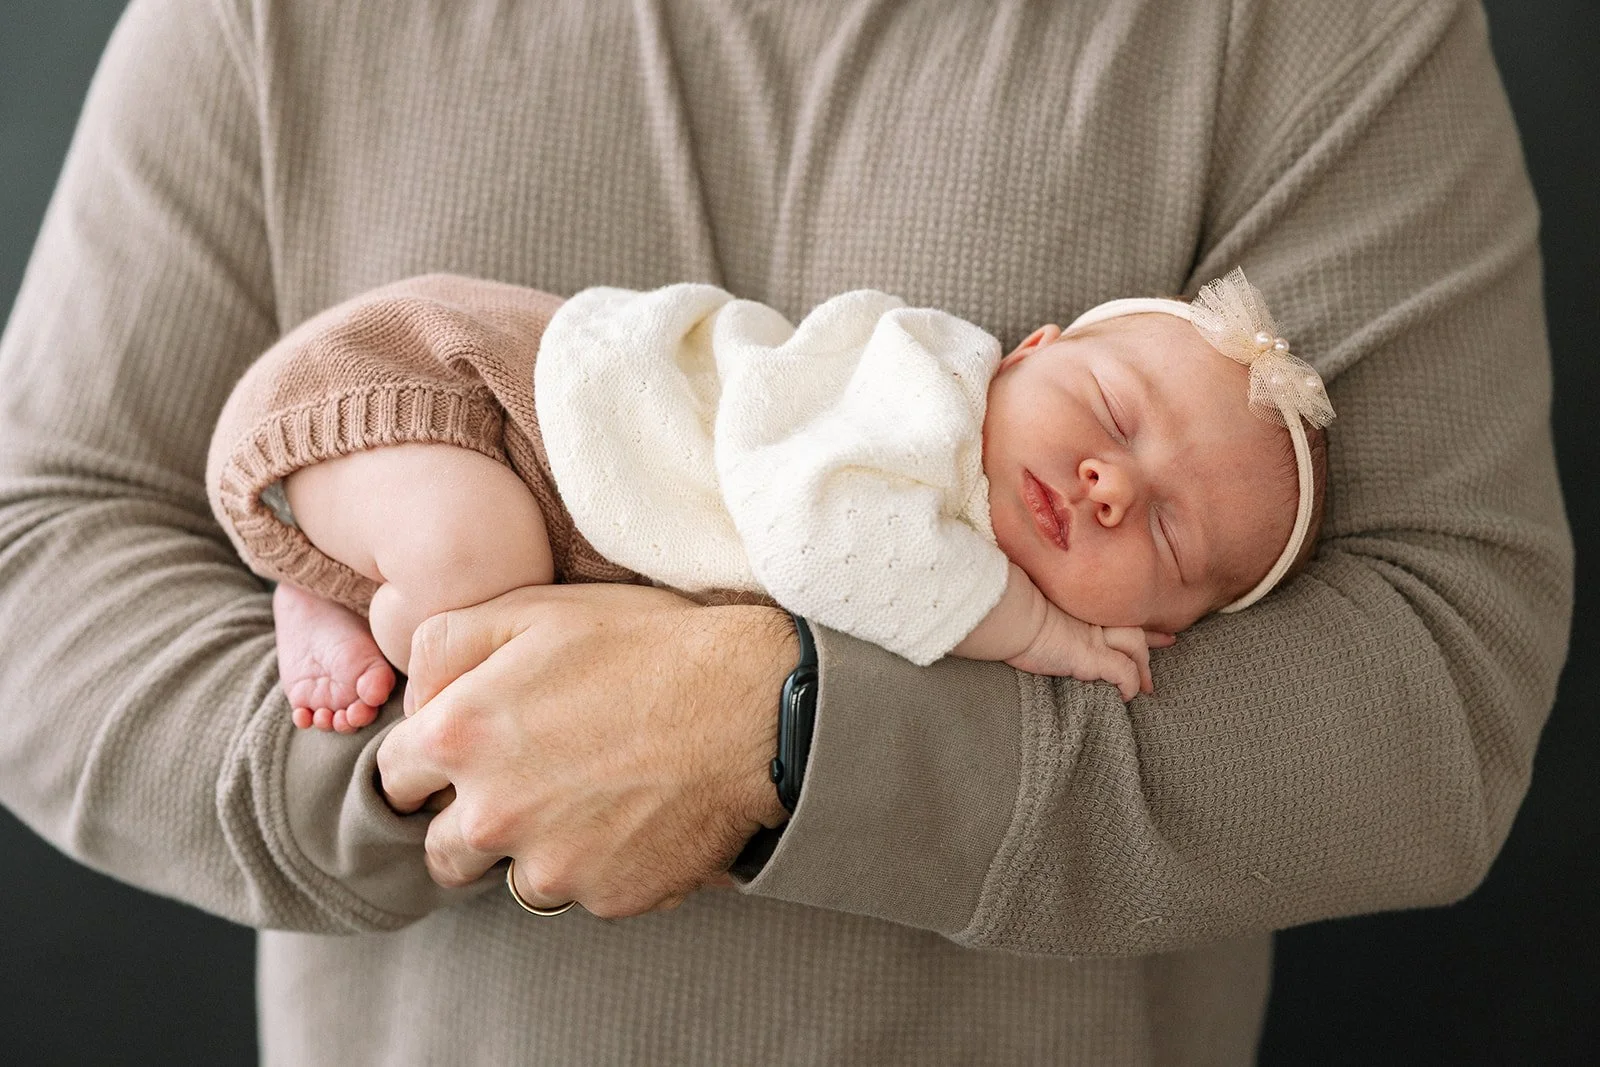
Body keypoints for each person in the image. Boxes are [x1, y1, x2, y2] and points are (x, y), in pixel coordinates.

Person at [0, 1, 1571, 1063]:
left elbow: (1439, 696)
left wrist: (782, 732)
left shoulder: (1320, 32)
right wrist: (461, 756)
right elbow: (37, 555)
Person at [208, 269, 1329, 730]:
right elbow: (814, 541)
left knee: (499, 572)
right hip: (448, 384)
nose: (1111, 482)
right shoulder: (919, 388)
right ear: (1028, 352)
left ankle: (335, 568)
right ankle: (353, 585)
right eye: (1111, 409)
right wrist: (1037, 625)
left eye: (1168, 529)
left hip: (492, 458)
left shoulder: (952, 504)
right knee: (476, 580)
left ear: (1168, 626)